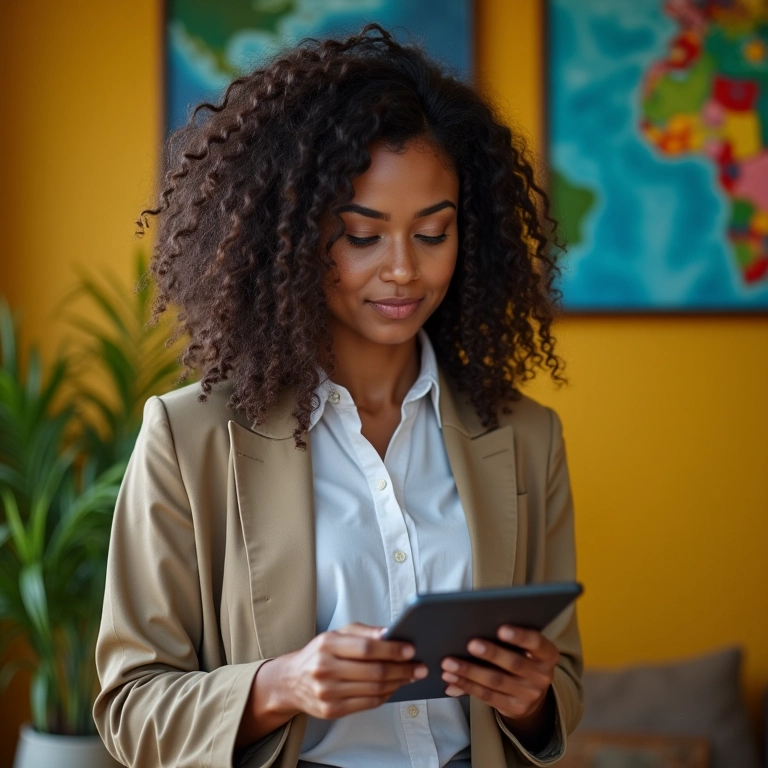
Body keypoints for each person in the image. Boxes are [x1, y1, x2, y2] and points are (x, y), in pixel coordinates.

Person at [93, 24, 582, 768]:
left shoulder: (526, 436)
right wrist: (280, 686)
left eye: (433, 233)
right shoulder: (191, 437)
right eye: (361, 236)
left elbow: (563, 682)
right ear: (288, 238)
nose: (403, 270)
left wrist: (531, 697)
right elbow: (130, 708)